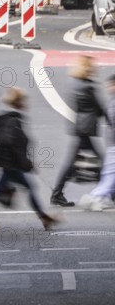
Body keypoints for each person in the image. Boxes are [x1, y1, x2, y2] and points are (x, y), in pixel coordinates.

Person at [0, 87, 57, 231]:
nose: (26, 103)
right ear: (19, 102)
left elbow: (0, 140)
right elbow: (11, 143)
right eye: (24, 100)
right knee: (5, 189)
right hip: (11, 165)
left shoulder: (8, 118)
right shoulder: (14, 120)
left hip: (7, 163)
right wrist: (25, 163)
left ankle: (44, 217)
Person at [51, 55, 109, 207]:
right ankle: (108, 192)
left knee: (72, 163)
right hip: (87, 128)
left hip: (80, 126)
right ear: (87, 68)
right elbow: (99, 107)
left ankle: (57, 194)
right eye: (91, 66)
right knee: (103, 161)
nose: (94, 69)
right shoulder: (88, 86)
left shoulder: (73, 83)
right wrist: (110, 119)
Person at [80, 75, 115, 211]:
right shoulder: (113, 102)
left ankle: (102, 197)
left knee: (110, 172)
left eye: (111, 85)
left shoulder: (112, 101)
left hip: (111, 142)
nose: (108, 88)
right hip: (113, 143)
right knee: (110, 173)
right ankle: (96, 196)